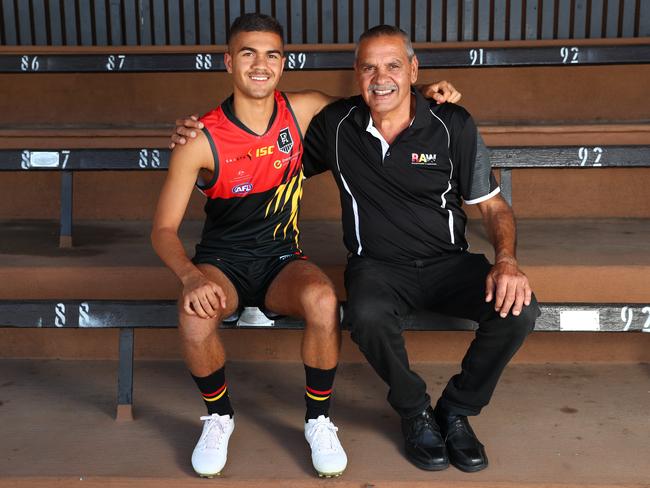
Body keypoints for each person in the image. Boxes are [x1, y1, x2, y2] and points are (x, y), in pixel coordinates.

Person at [154, 14, 461, 478]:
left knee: (322, 300)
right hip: (223, 261)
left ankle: (318, 420)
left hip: (281, 260)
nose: (260, 64)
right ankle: (219, 417)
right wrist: (191, 276)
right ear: (228, 61)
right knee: (193, 313)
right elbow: (162, 230)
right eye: (248, 53)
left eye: (271, 54)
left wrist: (429, 93)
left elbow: (381, 98)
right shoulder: (199, 138)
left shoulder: (304, 109)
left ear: (284, 62)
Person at [298, 25, 540, 473]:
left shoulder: (453, 123)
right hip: (376, 267)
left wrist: (506, 260)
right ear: (356, 73)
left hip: (448, 264)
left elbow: (492, 207)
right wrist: (202, 145)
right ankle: (416, 413)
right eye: (369, 67)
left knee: (519, 309)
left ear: (414, 69)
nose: (380, 76)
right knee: (366, 315)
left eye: (393, 65)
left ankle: (456, 411)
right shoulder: (337, 127)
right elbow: (268, 145)